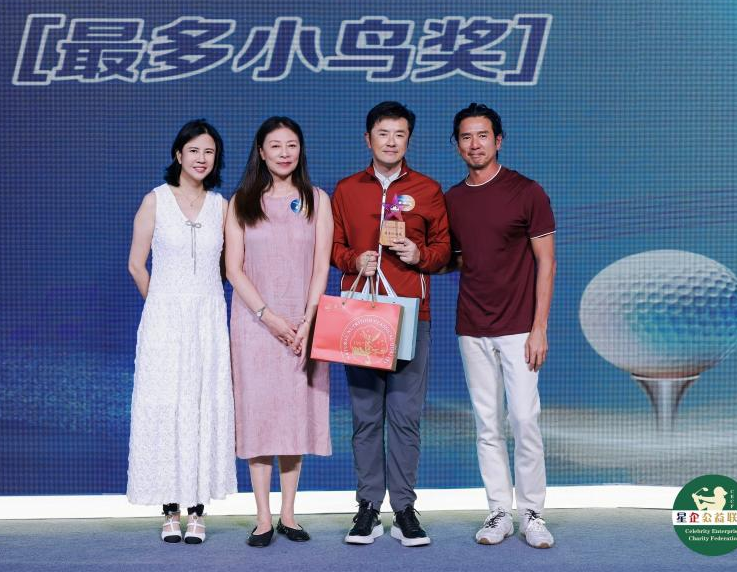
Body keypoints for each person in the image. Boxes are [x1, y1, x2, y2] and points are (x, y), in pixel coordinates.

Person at [331, 101, 450, 547]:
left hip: (410, 315)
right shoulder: (347, 190)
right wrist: (351, 259)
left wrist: (420, 255)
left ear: (408, 140)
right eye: (383, 133)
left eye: (400, 134)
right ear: (368, 139)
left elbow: (444, 249)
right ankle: (367, 507)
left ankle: (403, 509)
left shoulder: (427, 189)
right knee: (366, 418)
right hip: (361, 317)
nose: (391, 141)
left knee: (404, 417)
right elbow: (332, 246)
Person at [444, 103, 556, 549]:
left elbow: (546, 263)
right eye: (466, 137)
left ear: (498, 140)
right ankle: (498, 512)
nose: (475, 144)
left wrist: (539, 327)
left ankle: (531, 512)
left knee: (524, 419)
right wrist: (410, 253)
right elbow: (457, 259)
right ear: (457, 145)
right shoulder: (452, 200)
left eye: (483, 135)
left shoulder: (527, 192)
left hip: (519, 328)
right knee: (487, 424)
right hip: (472, 326)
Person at [126, 119, 237, 544]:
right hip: (164, 323)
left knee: (201, 406)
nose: (201, 159)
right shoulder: (155, 200)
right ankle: (169, 510)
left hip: (208, 321)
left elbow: (229, 266)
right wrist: (161, 305)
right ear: (178, 154)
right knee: (166, 406)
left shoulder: (221, 206)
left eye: (209, 152)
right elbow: (137, 264)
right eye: (194, 151)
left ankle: (197, 510)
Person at [225, 116, 333, 548]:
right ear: (261, 151)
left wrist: (308, 320)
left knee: (293, 416)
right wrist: (268, 317)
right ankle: (263, 517)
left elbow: (321, 264)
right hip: (255, 326)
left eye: (291, 144)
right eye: (276, 145)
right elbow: (233, 268)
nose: (285, 153)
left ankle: (289, 513)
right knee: (260, 418)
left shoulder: (316, 199)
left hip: (304, 326)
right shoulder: (241, 201)